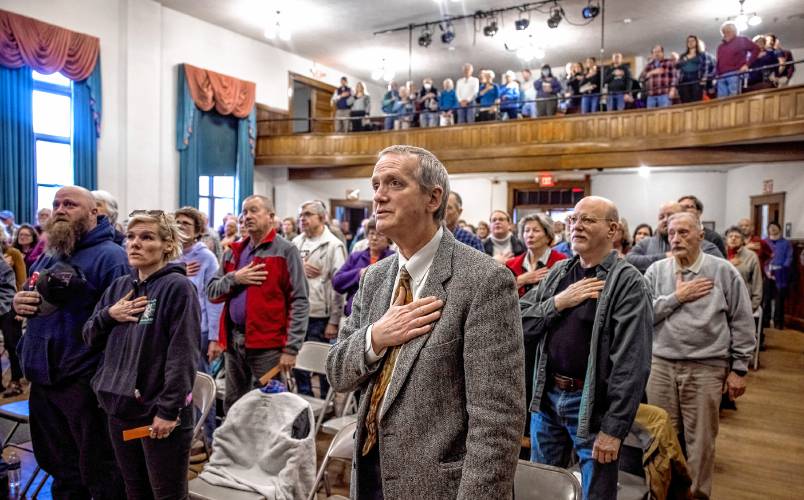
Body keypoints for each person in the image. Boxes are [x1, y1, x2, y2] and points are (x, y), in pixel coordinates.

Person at [326, 145, 525, 499]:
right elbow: (337, 372)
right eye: (375, 186)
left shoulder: (484, 280)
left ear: (433, 198)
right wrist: (375, 336)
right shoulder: (374, 278)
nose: (379, 197)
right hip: (370, 473)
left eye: (394, 184)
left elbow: (496, 422)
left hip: (437, 486)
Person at [520, 196, 653, 500]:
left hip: (592, 406)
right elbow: (518, 320)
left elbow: (632, 363)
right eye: (573, 220)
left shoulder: (628, 283)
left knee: (596, 492)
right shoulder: (559, 274)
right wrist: (558, 303)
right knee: (542, 489)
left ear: (612, 229)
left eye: (588, 220)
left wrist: (614, 429)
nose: (577, 226)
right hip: (548, 397)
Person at [13, 186, 127, 499]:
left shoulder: (112, 258)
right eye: (56, 203)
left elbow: (122, 326)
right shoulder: (53, 252)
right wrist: (19, 302)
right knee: (58, 465)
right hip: (43, 374)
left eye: (70, 204)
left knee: (98, 468)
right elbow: (31, 290)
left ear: (94, 213)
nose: (60, 209)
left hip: (83, 379)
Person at [83, 210, 200, 499]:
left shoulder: (178, 287)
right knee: (135, 490)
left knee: (166, 494)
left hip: (158, 413)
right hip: (119, 407)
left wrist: (169, 409)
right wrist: (109, 315)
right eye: (131, 237)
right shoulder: (120, 287)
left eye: (146, 237)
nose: (135, 243)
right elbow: (88, 336)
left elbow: (182, 353)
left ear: (167, 245)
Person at [644, 212, 755, 499]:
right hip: (661, 364)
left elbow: (742, 320)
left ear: (701, 236)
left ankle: (697, 494)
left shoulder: (723, 271)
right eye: (671, 233)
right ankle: (664, 493)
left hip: (706, 366)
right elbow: (643, 316)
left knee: (701, 440)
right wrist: (677, 298)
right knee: (661, 439)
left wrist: (739, 368)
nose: (676, 239)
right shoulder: (657, 271)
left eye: (684, 232)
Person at [207, 195, 309, 411]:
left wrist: (291, 348)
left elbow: (299, 300)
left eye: (254, 210)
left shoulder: (286, 250)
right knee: (235, 403)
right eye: (244, 212)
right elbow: (212, 293)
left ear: (271, 217)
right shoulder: (233, 252)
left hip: (268, 346)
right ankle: (237, 445)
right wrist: (235, 278)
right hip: (235, 341)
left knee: (271, 406)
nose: (247, 217)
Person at [175, 207, 223, 440]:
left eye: (186, 223)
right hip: (174, 329)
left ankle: (209, 436)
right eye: (177, 222)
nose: (180, 225)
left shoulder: (206, 257)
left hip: (199, 328)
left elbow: (214, 300)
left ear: (197, 231)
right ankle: (187, 434)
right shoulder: (170, 256)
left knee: (201, 384)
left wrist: (214, 336)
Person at [292, 200, 347, 397]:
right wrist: (298, 266)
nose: (302, 219)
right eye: (300, 215)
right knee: (298, 363)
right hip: (297, 312)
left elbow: (338, 287)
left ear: (322, 218)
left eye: (307, 214)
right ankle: (304, 405)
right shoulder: (296, 243)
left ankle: (326, 404)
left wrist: (333, 320)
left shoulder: (334, 245)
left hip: (320, 316)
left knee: (321, 365)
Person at [626, 201, 723, 273]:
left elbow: (719, 270)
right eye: (661, 217)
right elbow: (629, 260)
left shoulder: (706, 246)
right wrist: (664, 257)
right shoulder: (646, 243)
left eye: (670, 215)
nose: (665, 220)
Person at [332, 218, 394, 317]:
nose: (374, 237)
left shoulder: (394, 259)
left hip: (381, 317)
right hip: (353, 316)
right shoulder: (356, 256)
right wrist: (359, 273)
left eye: (380, 234)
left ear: (389, 238)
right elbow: (337, 282)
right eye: (371, 233)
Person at [0, 239, 24, 397]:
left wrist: (19, 309)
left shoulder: (4, 262)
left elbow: (12, 285)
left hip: (7, 307)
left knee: (13, 345)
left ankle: (17, 380)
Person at [715, 21, 760, 98]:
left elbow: (756, 49)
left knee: (734, 98)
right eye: (724, 32)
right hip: (721, 76)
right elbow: (718, 62)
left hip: (735, 73)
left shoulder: (741, 40)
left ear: (734, 31)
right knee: (721, 101)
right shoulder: (720, 47)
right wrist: (716, 75)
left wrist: (747, 65)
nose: (726, 34)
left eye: (728, 31)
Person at [725, 226, 763, 313]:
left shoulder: (751, 256)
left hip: (743, 301)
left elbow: (757, 282)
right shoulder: (720, 253)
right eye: (730, 236)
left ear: (743, 241)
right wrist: (729, 263)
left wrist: (753, 305)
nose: (733, 238)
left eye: (737, 237)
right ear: (726, 240)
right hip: (722, 301)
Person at [763, 221, 793, 330]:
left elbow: (789, 258)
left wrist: (781, 270)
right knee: (766, 299)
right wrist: (766, 271)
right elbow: (762, 258)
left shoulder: (786, 243)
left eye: (775, 227)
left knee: (779, 299)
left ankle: (778, 322)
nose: (773, 229)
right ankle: (765, 321)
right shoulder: (764, 242)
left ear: (779, 229)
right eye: (770, 227)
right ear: (768, 230)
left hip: (781, 273)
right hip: (767, 273)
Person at [676, 35, 714, 103]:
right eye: (688, 41)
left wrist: (704, 78)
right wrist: (686, 58)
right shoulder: (683, 55)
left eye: (692, 41)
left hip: (696, 78)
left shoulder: (702, 54)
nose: (690, 42)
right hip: (684, 79)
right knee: (685, 100)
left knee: (696, 100)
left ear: (696, 42)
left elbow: (706, 67)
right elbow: (677, 66)